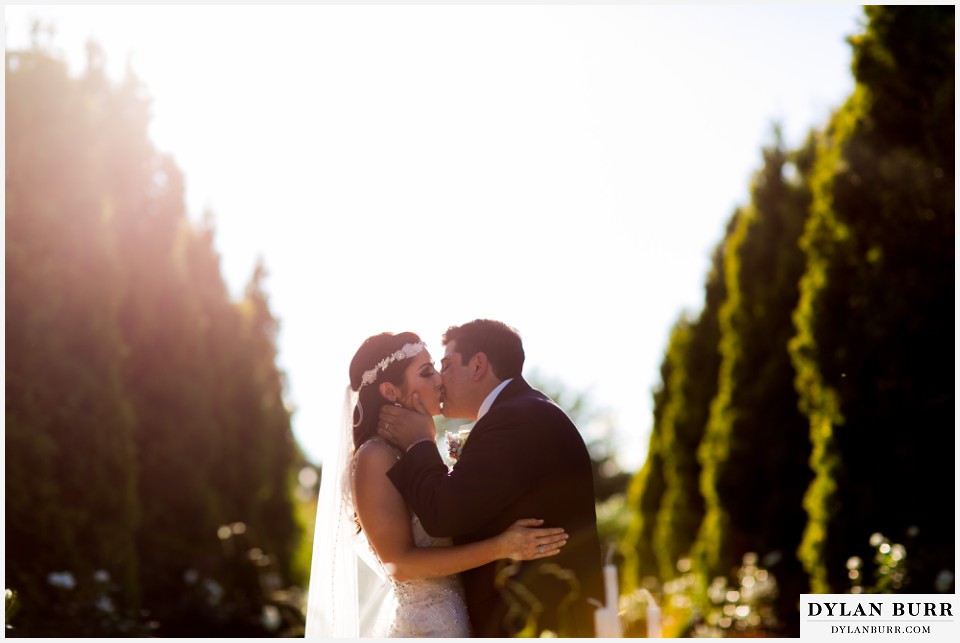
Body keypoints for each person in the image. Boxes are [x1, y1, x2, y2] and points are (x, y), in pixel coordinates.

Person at [304, 331, 569, 638]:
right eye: (427, 372)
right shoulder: (374, 456)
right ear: (390, 390)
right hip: (425, 628)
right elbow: (399, 564)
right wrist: (502, 547)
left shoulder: (418, 449)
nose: (440, 380)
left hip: (464, 622)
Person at [378, 320, 603, 637]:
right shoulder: (523, 410)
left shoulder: (513, 419)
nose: (440, 380)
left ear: (479, 364)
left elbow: (443, 514)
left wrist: (420, 443)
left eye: (446, 365)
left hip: (540, 619)